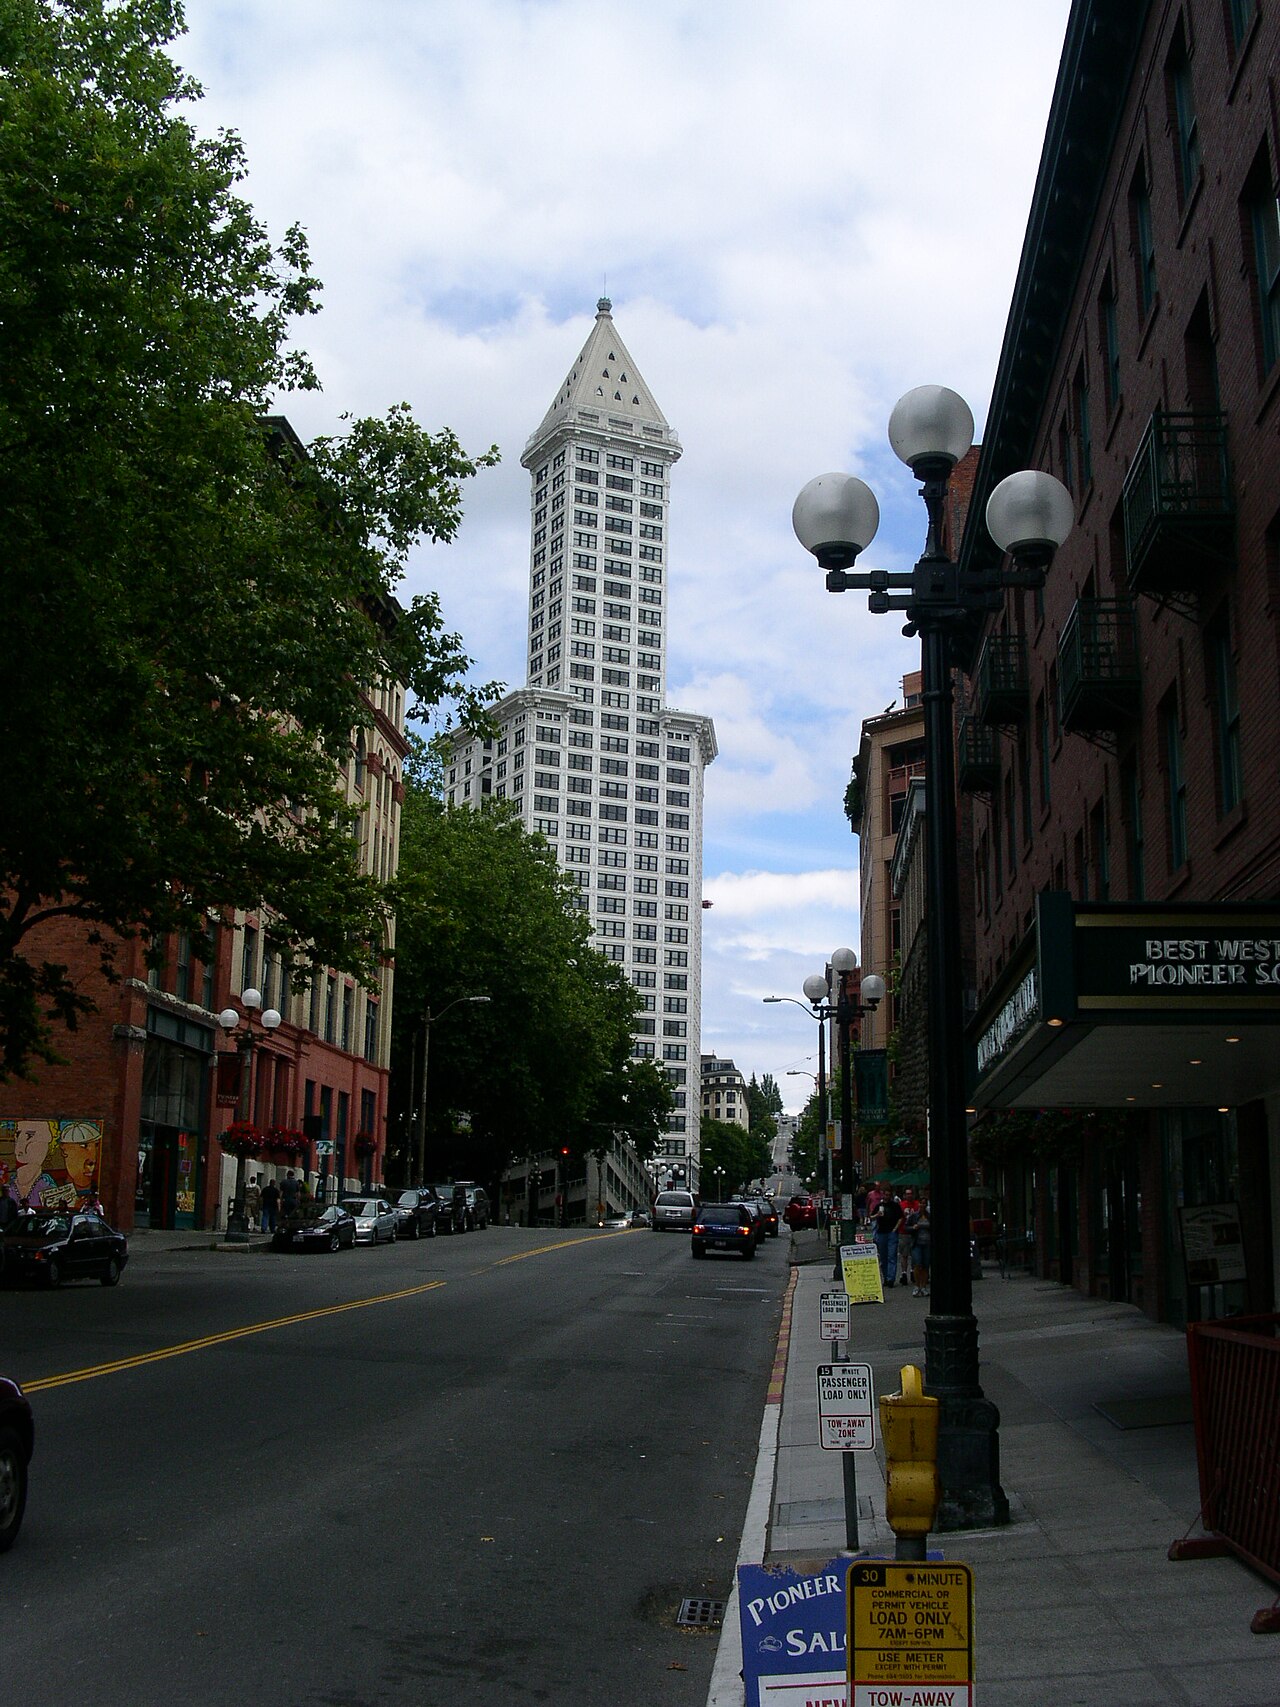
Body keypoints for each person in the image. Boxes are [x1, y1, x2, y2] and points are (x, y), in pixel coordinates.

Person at [872, 1190, 904, 1290]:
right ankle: (886, 1277)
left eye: (889, 1195)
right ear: (883, 1195)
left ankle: (891, 1278)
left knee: (892, 1255)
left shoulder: (895, 1205)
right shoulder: (879, 1205)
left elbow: (901, 1217)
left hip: (891, 1233)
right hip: (881, 1232)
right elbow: (871, 1217)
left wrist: (895, 1228)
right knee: (883, 1257)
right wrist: (877, 1215)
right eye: (886, 1195)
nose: (887, 1196)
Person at [910, 1200, 932, 1296]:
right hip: (917, 1243)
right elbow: (907, 1227)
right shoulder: (914, 1215)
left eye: (924, 1203)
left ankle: (923, 1286)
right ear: (918, 1204)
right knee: (917, 1264)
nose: (922, 1205)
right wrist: (913, 1227)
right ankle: (917, 1285)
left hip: (927, 1243)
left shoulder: (929, 1216)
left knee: (926, 1265)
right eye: (921, 1203)